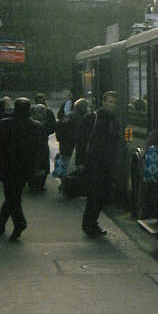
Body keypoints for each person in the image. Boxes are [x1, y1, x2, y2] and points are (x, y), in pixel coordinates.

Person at [0, 97, 44, 241]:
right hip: (24, 168)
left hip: (8, 167)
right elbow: (41, 150)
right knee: (13, 196)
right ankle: (9, 222)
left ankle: (13, 222)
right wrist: (39, 167)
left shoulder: (2, 125)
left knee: (11, 196)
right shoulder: (36, 126)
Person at [75, 91, 122, 237]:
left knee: (104, 195)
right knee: (95, 195)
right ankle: (89, 225)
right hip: (93, 163)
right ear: (103, 102)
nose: (112, 105)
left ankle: (91, 223)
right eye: (110, 102)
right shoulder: (91, 118)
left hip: (107, 163)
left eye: (114, 102)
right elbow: (81, 140)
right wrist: (80, 161)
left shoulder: (114, 121)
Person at [55, 97, 90, 162]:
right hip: (76, 150)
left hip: (65, 150)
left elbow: (59, 129)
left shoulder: (67, 117)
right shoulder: (84, 120)